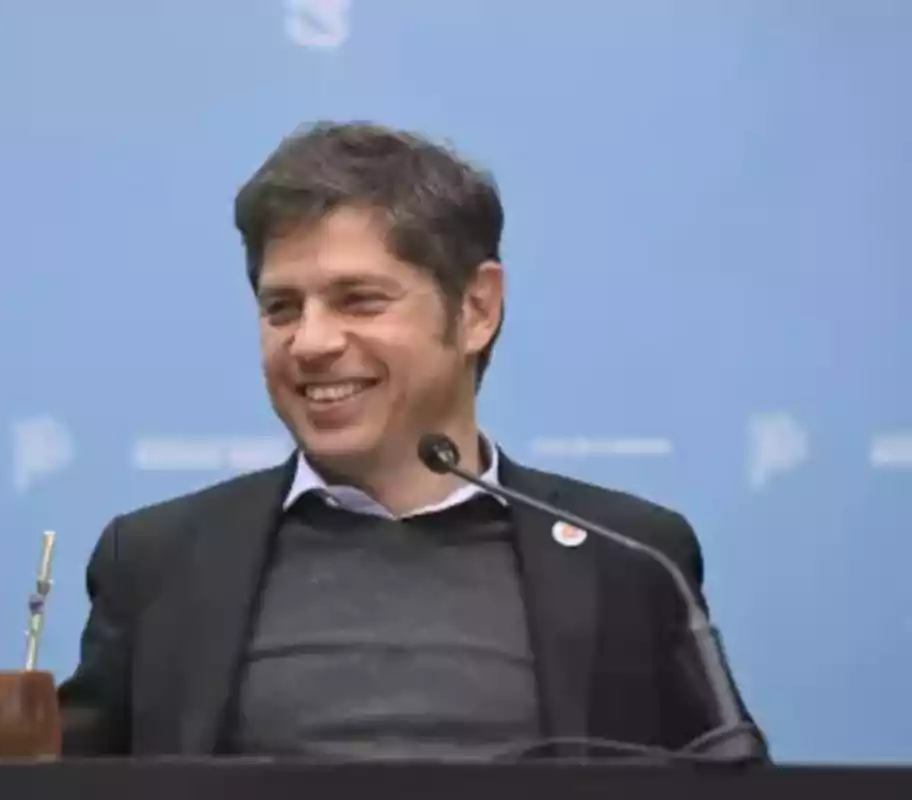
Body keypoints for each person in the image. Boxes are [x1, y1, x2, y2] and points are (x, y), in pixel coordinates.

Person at [56, 121, 767, 761]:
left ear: (477, 309)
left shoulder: (632, 558)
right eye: (281, 308)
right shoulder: (156, 562)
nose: (310, 342)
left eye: (359, 300)